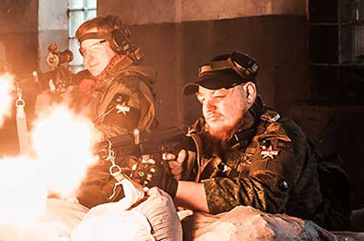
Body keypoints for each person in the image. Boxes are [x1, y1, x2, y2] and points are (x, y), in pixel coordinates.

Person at [133, 51, 330, 225]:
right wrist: (178, 173)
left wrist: (173, 187)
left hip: (297, 236)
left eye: (218, 97)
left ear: (249, 93)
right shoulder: (203, 129)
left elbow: (263, 198)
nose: (208, 109)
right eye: (202, 99)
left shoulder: (276, 133)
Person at [44, 16, 157, 207]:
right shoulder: (104, 83)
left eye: (95, 47)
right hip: (101, 175)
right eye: (84, 51)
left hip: (119, 180)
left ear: (118, 45)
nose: (88, 58)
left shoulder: (128, 84)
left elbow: (114, 133)